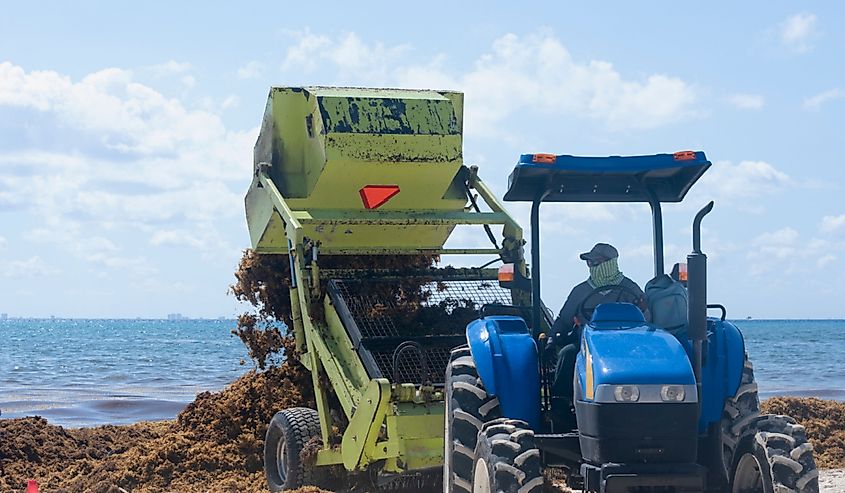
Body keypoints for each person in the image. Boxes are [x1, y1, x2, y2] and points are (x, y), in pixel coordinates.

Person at [550, 243, 648, 408]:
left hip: (625, 344)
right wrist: (552, 338)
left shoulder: (630, 289)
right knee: (567, 354)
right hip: (587, 345)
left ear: (610, 263)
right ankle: (561, 406)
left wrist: (643, 309)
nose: (592, 267)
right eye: (590, 263)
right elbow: (564, 319)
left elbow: (646, 318)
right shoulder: (580, 291)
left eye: (596, 262)